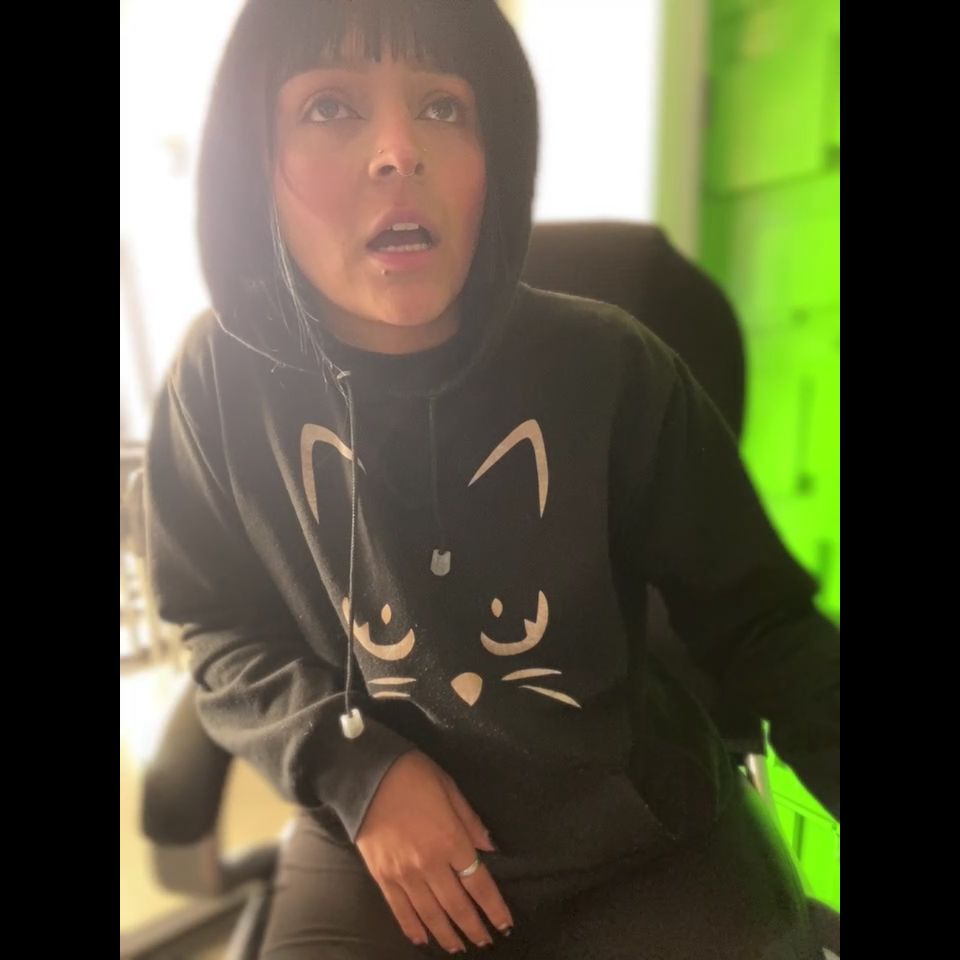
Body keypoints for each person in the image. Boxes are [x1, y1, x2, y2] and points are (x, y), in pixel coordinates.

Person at [144, 2, 839, 957]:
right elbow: (218, 627)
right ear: (253, 158)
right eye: (331, 107)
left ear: (494, 155)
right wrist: (359, 774)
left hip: (639, 834)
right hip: (377, 833)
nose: (399, 152)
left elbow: (763, 625)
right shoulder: (215, 385)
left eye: (442, 107)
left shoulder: (615, 370)